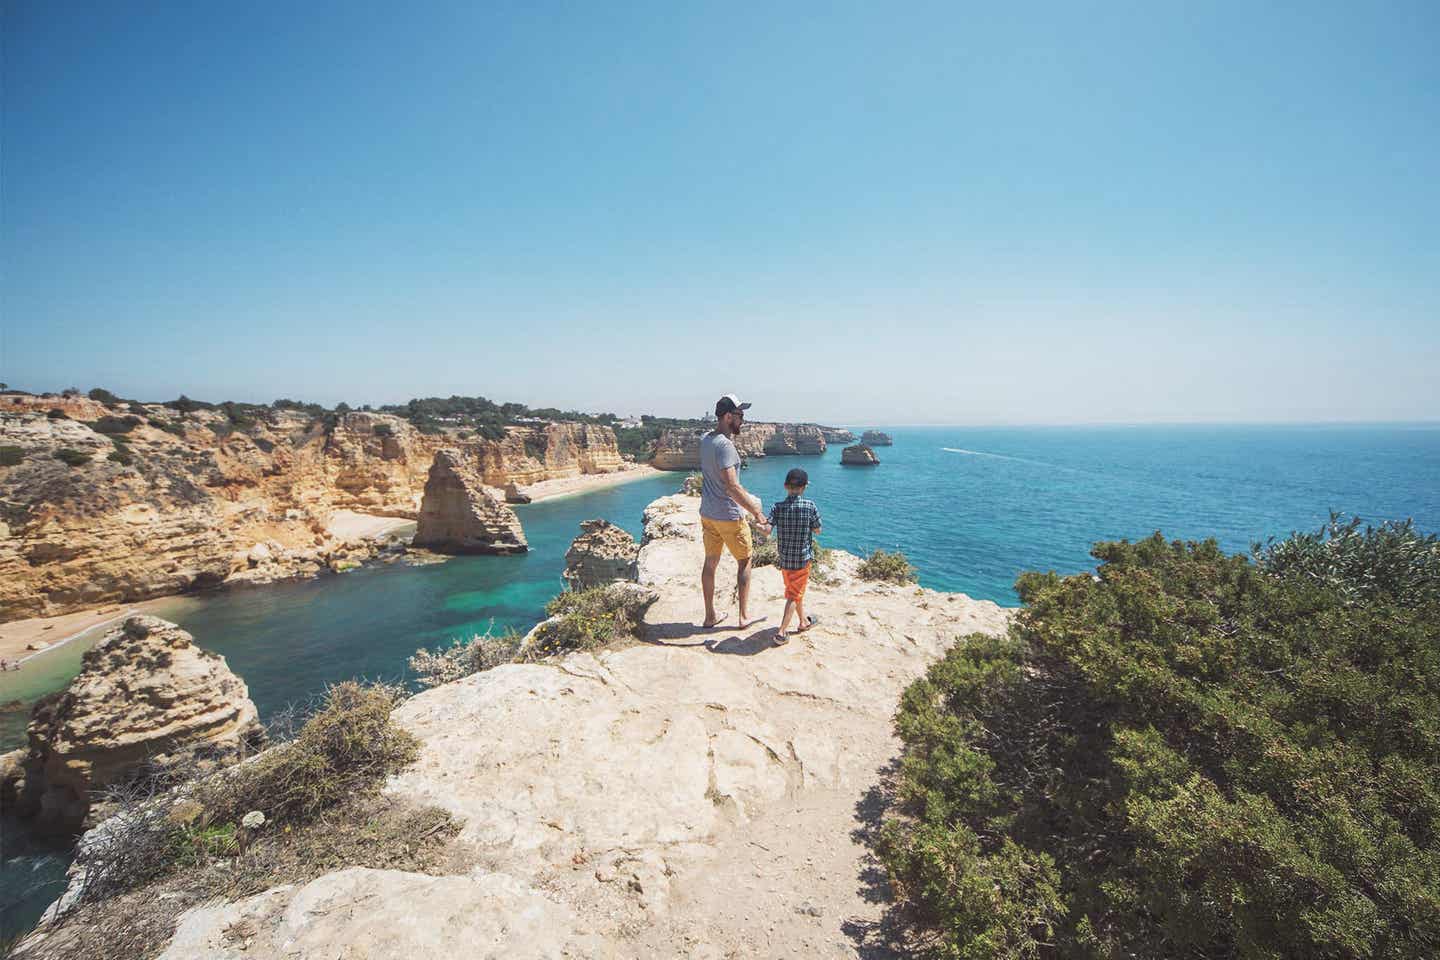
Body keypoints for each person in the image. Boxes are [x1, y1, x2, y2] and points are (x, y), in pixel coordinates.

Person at [700, 393, 771, 628]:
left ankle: (710, 616)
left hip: (708, 514)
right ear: (728, 416)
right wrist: (757, 513)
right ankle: (743, 617)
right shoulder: (726, 445)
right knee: (745, 560)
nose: (743, 420)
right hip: (729, 515)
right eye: (740, 415)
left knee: (710, 562)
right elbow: (731, 486)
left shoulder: (706, 440)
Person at [766, 467, 822, 644]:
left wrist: (758, 522)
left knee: (795, 592)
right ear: (804, 487)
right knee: (793, 595)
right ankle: (781, 632)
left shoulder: (777, 507)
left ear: (785, 486)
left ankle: (803, 622)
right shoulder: (809, 506)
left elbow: (767, 529)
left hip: (784, 560)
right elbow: (818, 530)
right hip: (802, 560)